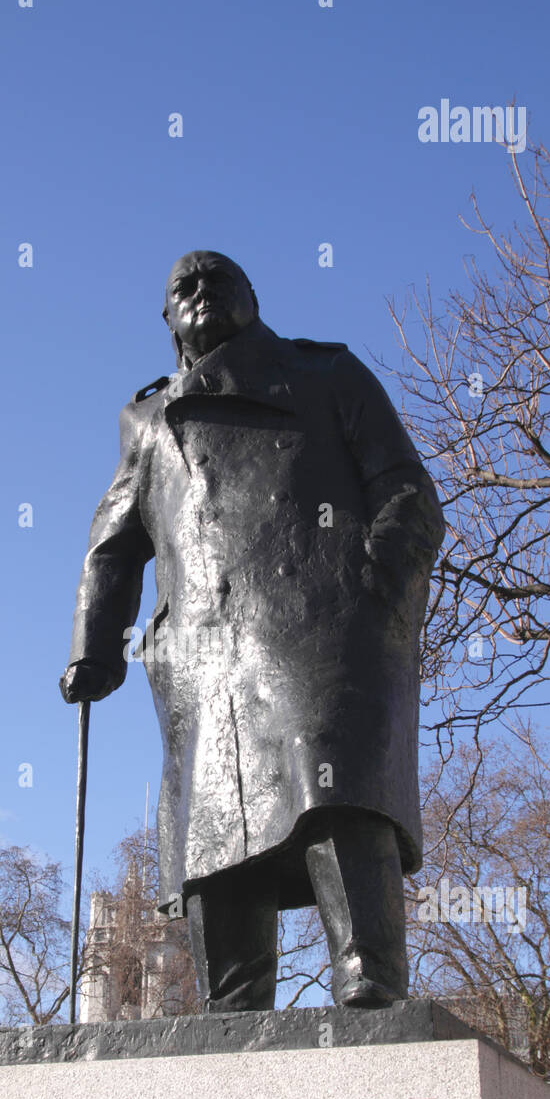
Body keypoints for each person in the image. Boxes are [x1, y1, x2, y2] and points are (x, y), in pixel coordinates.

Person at [61, 251, 444, 1011]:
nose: (201, 292)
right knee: (214, 830)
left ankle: (370, 983)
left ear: (254, 297)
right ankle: (235, 1013)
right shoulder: (146, 418)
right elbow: (112, 542)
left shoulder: (325, 373)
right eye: (183, 286)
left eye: (218, 279)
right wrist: (94, 648)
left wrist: (378, 582)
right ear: (166, 318)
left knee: (335, 790)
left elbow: (406, 487)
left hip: (325, 622)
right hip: (202, 648)